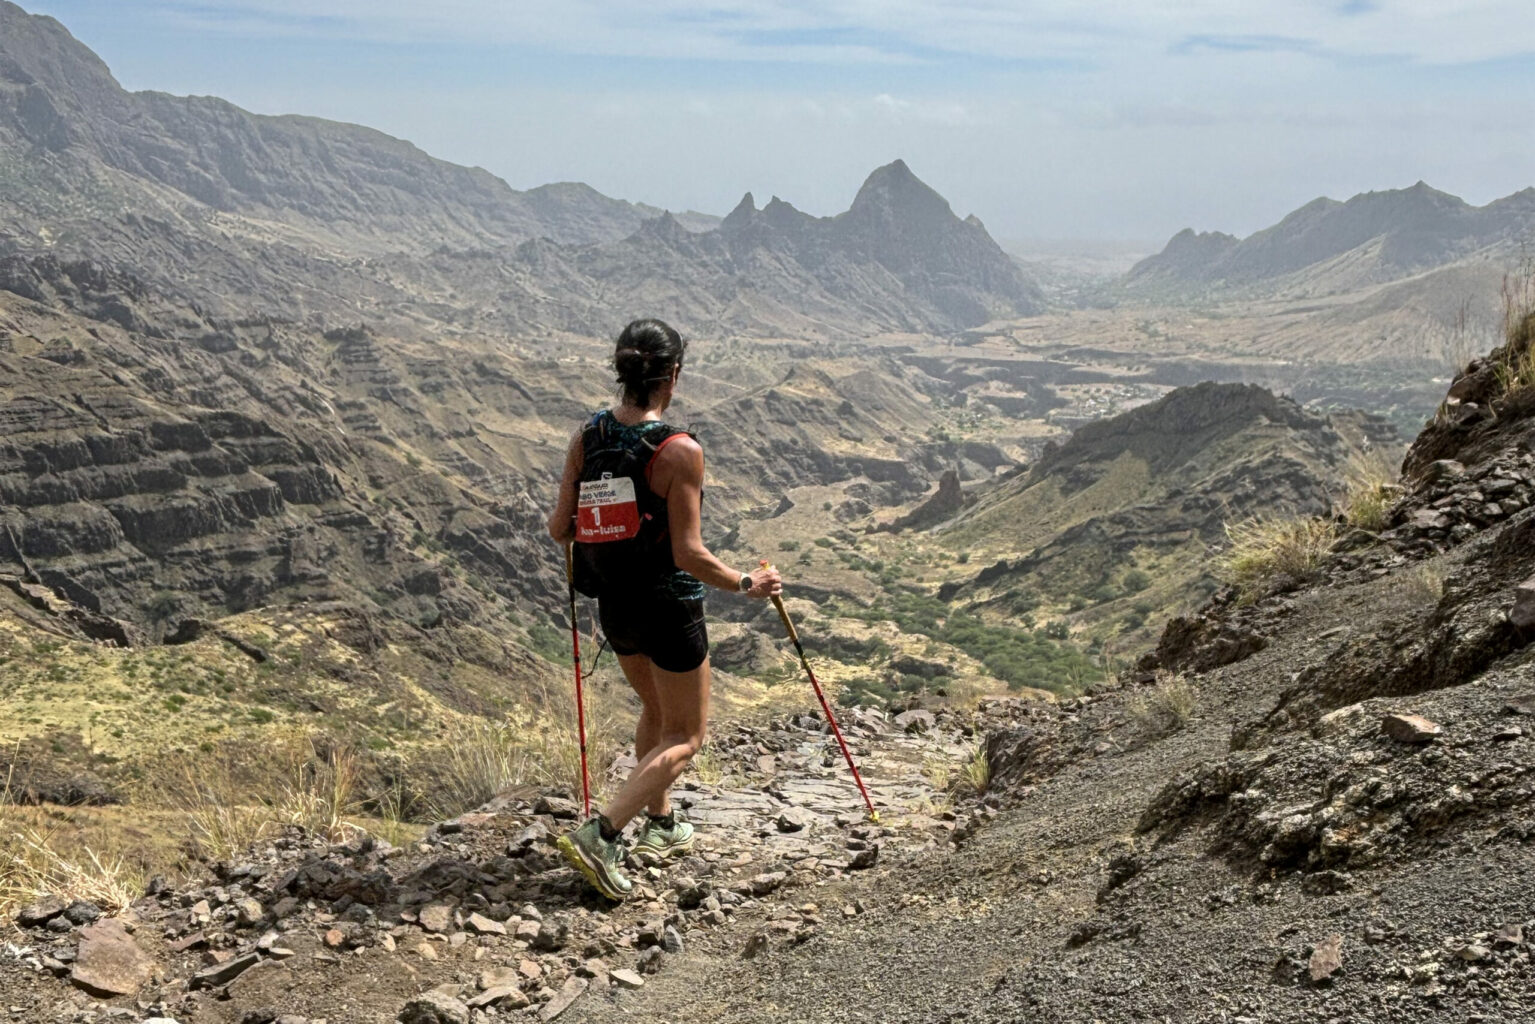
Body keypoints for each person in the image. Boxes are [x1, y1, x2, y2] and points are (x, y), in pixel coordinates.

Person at [546, 318, 781, 900]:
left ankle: (663, 823)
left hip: (615, 609)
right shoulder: (680, 452)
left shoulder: (588, 438)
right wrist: (748, 581)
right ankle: (601, 833)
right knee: (686, 735)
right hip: (669, 610)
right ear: (672, 376)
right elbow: (689, 553)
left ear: (622, 371)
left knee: (654, 707)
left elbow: (558, 529)